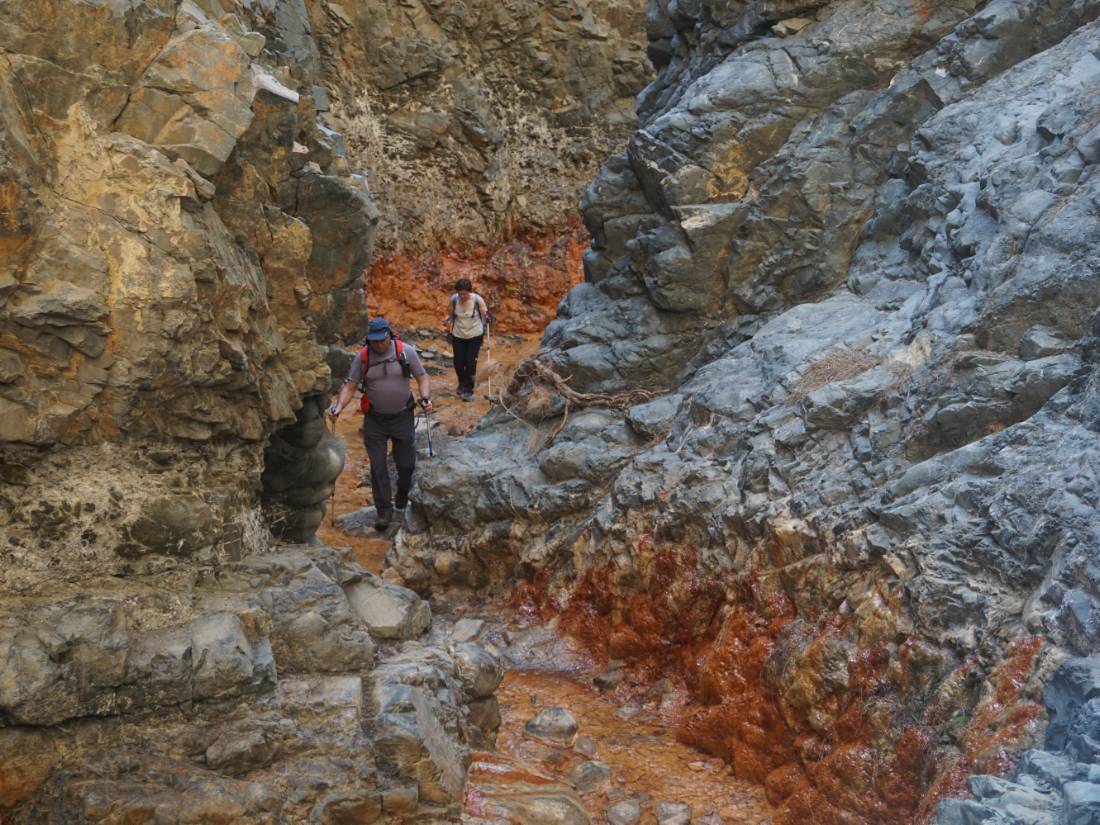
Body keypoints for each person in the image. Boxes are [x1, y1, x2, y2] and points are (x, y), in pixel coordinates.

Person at [328, 318, 432, 531]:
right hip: (375, 420)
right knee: (377, 467)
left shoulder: (405, 352)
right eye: (374, 341)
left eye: (382, 340)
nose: (378, 344)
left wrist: (425, 398)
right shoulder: (363, 357)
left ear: (389, 335)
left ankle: (402, 493)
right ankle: (384, 511)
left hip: (403, 416)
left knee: (406, 465)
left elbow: (422, 377)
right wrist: (338, 408)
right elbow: (350, 386)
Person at [444, 277, 491, 402]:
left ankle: (469, 390)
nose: (462, 296)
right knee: (458, 363)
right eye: (460, 294)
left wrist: (488, 317)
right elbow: (450, 314)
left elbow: (485, 313)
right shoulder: (454, 299)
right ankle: (461, 383)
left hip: (475, 335)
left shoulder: (477, 300)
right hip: (458, 334)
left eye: (465, 294)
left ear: (470, 291)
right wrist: (447, 319)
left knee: (470, 364)